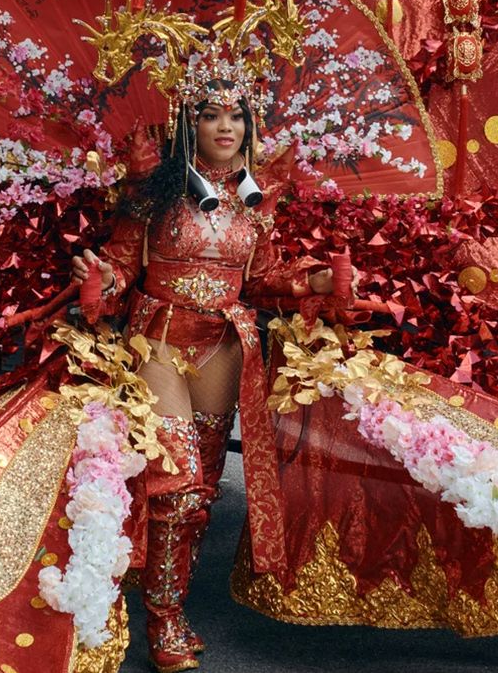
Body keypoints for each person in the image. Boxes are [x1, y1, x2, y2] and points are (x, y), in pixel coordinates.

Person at [71, 74, 339, 672]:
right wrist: (102, 278)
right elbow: (121, 265)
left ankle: (172, 604)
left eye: (236, 116)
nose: (226, 127)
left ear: (250, 125)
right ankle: (161, 619)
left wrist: (313, 282)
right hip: (159, 340)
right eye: (212, 115)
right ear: (187, 124)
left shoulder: (257, 198)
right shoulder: (154, 188)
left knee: (202, 494)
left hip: (222, 346)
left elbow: (262, 279)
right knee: (178, 484)